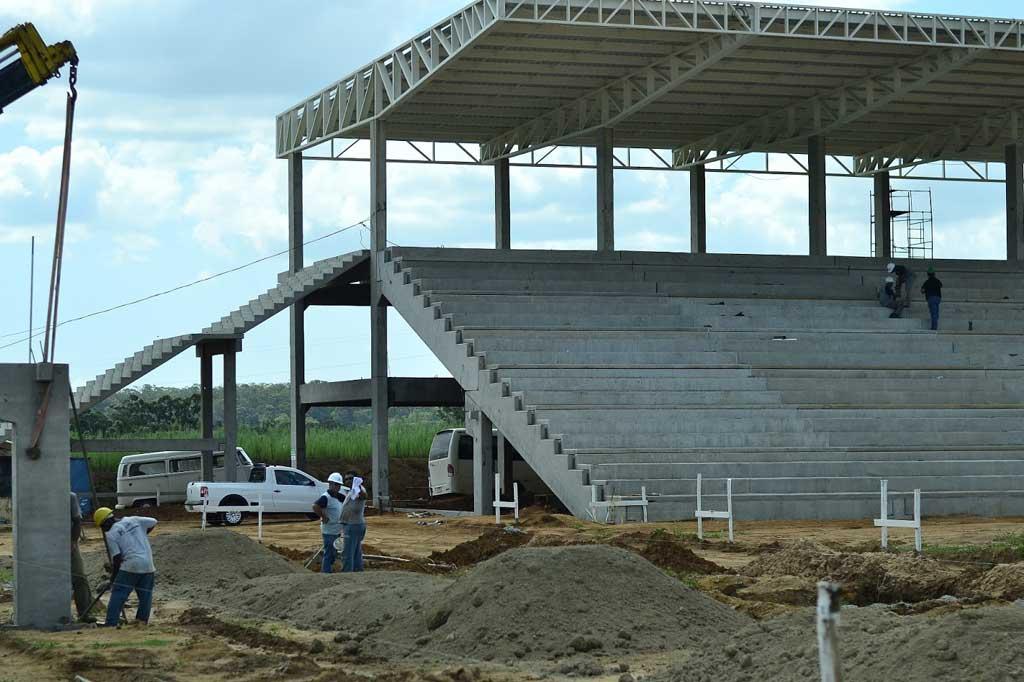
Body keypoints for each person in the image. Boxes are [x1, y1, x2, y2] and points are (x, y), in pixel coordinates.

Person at [94, 507, 157, 627]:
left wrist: (114, 578)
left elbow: (117, 559)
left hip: (130, 566)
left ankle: (111, 623)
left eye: (102, 526)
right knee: (146, 596)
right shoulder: (134, 520)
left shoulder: (111, 534)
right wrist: (142, 534)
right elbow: (153, 521)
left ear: (106, 522)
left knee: (118, 593)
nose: (103, 529)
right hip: (148, 564)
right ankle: (141, 622)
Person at [312, 472, 346, 574]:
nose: (337, 487)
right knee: (329, 553)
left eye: (338, 485)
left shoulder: (340, 496)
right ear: (330, 484)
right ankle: (325, 572)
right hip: (329, 531)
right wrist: (324, 516)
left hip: (337, 530)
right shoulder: (326, 497)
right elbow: (315, 506)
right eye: (335, 484)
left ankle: (329, 568)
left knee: (334, 552)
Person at [70, 492, 94, 622]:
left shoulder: (70, 497)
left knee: (79, 577)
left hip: (69, 545)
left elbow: (77, 521)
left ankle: (84, 613)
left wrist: (73, 541)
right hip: (47, 545)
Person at [340, 471, 367, 573]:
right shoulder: (352, 491)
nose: (348, 481)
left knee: (348, 553)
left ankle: (347, 574)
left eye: (350, 478)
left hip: (353, 525)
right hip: (352, 525)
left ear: (356, 479)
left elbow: (364, 495)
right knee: (356, 552)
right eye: (346, 479)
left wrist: (357, 485)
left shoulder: (359, 490)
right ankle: (358, 571)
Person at [921, 266, 943, 330]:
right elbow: (941, 285)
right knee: (936, 312)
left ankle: (934, 327)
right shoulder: (937, 281)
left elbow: (922, 290)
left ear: (928, 275)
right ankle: (934, 325)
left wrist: (927, 290)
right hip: (938, 298)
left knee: (933, 312)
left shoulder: (927, 282)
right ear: (934, 274)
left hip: (931, 298)